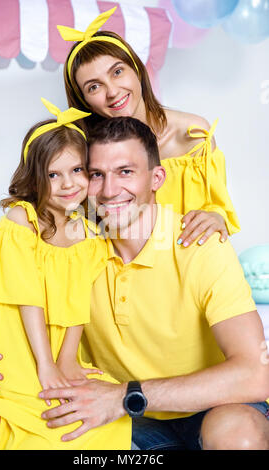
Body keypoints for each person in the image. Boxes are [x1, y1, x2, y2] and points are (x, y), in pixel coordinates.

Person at [35, 116, 269, 450]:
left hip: (214, 407)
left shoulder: (201, 244)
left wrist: (124, 396)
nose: (110, 190)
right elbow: (12, 303)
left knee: (238, 434)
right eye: (97, 175)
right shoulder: (71, 247)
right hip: (130, 423)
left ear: (156, 177)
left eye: (125, 172)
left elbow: (255, 375)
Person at [0, 100, 131, 450]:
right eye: (53, 175)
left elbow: (77, 305)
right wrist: (46, 365)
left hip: (54, 346)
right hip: (14, 342)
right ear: (36, 178)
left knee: (104, 420)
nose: (67, 184)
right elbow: (27, 297)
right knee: (48, 424)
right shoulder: (21, 220)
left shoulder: (89, 236)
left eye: (77, 171)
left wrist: (67, 359)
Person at [58, 6, 240, 249]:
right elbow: (72, 223)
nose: (112, 92)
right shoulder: (86, 155)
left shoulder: (192, 135)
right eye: (94, 87)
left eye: (118, 72)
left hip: (183, 268)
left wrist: (216, 217)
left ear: (138, 70)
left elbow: (215, 206)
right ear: (83, 102)